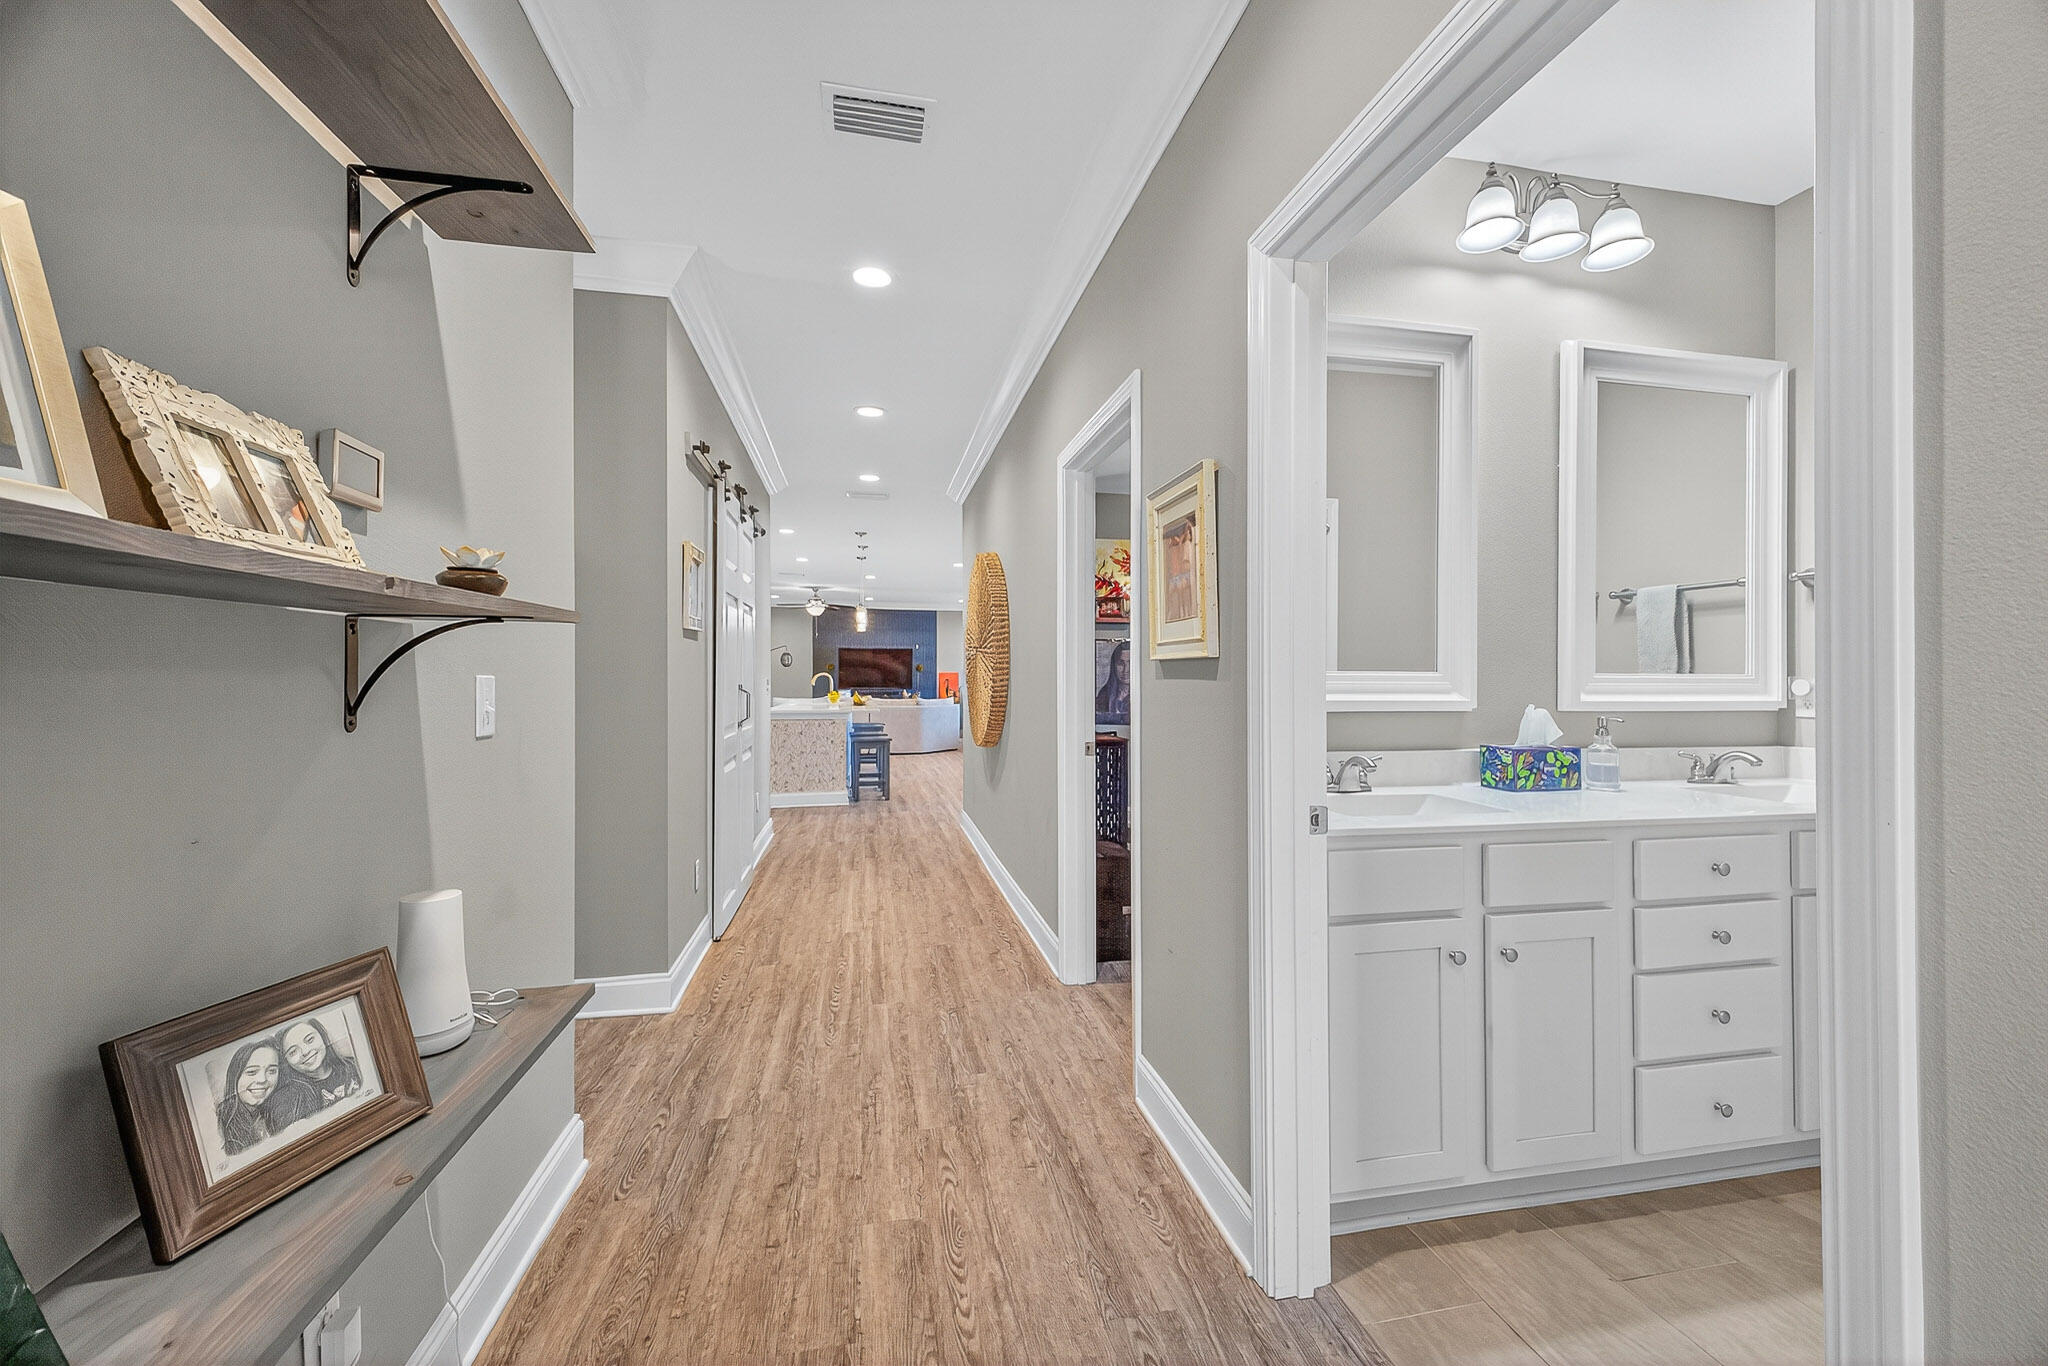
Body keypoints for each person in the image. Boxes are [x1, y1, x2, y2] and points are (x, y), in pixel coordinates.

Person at [214, 1039, 285, 1156]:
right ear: (235, 1076)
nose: (262, 1079)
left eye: (272, 1071)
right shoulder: (221, 1122)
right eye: (252, 1072)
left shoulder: (276, 1111)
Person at [278, 1016, 363, 1111]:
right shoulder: (290, 1099)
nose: (305, 1052)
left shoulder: (354, 1065)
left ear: (322, 1036)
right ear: (285, 1061)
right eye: (293, 1052)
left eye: (310, 1040)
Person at [1095, 639, 1131, 725]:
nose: (1126, 669)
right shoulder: (1104, 694)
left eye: (1130, 663)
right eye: (1121, 664)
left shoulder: (1143, 695)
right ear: (1114, 665)